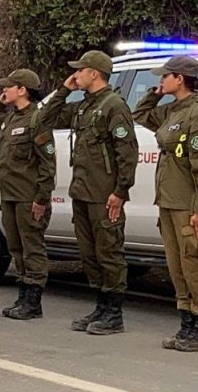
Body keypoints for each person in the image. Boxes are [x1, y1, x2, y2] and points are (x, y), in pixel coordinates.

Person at [41, 50, 138, 334]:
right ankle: (101, 304)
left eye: (80, 71)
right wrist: (64, 90)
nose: (76, 75)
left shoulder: (113, 106)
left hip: (104, 192)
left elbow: (127, 153)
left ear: (94, 73)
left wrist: (120, 192)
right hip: (82, 191)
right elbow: (44, 119)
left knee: (109, 250)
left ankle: (114, 311)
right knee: (89, 252)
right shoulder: (84, 106)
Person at [133, 56, 198, 351]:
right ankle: (187, 323)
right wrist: (154, 94)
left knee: (195, 263)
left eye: (165, 77)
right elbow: (140, 114)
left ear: (180, 79)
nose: (161, 81)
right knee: (177, 265)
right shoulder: (173, 110)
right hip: (169, 201)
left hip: (187, 202)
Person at [0, 69, 56, 320]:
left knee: (32, 247)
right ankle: (23, 294)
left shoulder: (37, 119)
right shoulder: (10, 119)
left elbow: (47, 164)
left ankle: (33, 300)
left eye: (8, 87)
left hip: (28, 195)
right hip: (10, 195)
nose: (4, 90)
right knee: (16, 247)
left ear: (22, 90)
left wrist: (41, 198)